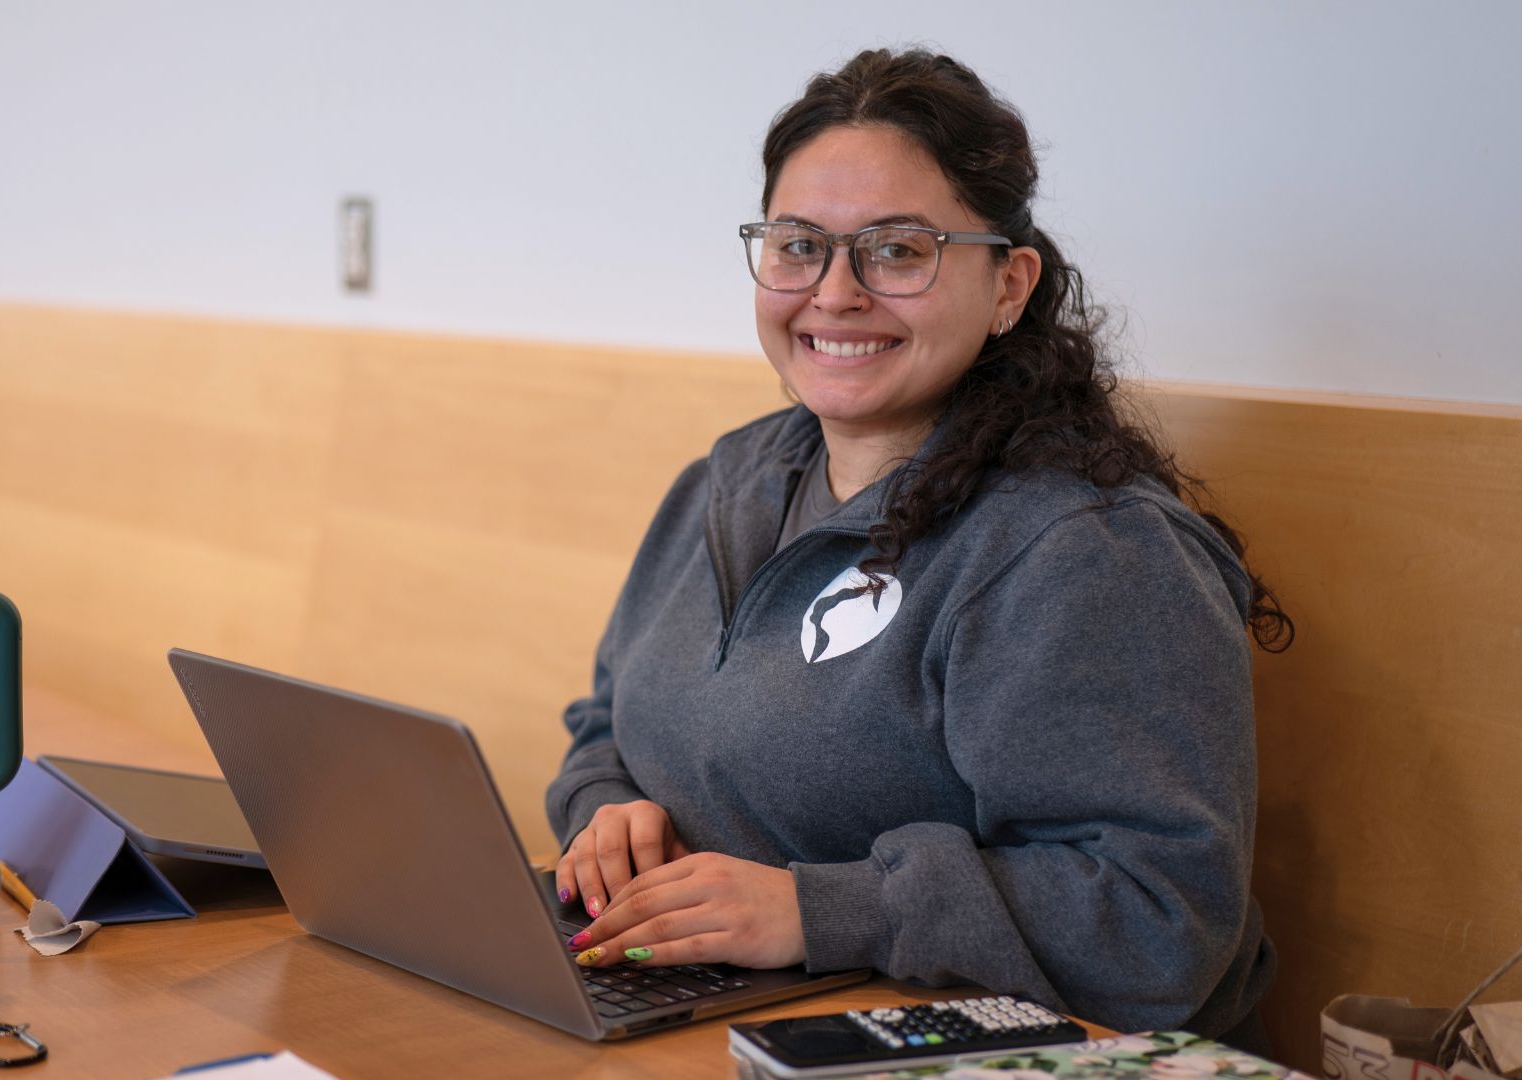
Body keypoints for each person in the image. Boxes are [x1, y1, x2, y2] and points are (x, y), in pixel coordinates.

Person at [544, 47, 1291, 1048]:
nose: (837, 292)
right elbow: (607, 718)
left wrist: (819, 911)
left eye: (899, 250)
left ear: (1009, 286)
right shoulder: (729, 480)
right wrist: (605, 804)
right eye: (798, 244)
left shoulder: (1085, 553)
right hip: (697, 1008)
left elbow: (1162, 920)